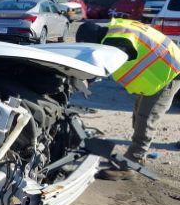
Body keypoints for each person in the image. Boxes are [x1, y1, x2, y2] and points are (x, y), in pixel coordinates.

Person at [76, 18, 180, 180]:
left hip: (169, 72)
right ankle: (138, 154)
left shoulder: (115, 41)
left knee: (147, 118)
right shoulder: (113, 29)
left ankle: (131, 165)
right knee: (139, 114)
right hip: (161, 68)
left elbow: (109, 63)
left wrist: (87, 79)